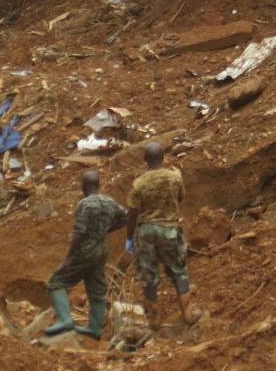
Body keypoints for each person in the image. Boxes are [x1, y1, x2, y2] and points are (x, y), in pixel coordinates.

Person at [126, 142, 201, 330]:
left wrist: (129, 238)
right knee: (179, 270)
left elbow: (132, 212)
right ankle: (188, 313)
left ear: (145, 160)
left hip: (146, 232)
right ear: (163, 158)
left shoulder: (139, 183)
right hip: (169, 230)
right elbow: (180, 197)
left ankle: (154, 319)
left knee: (148, 274)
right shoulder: (175, 177)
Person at [44, 170, 127, 339]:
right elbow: (125, 217)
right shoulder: (109, 201)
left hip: (85, 250)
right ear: (98, 185)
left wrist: (69, 257)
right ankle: (95, 328)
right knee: (96, 288)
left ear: (84, 186)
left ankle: (64, 320)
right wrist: (105, 229)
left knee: (56, 282)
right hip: (101, 249)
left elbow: (78, 234)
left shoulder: (85, 204)